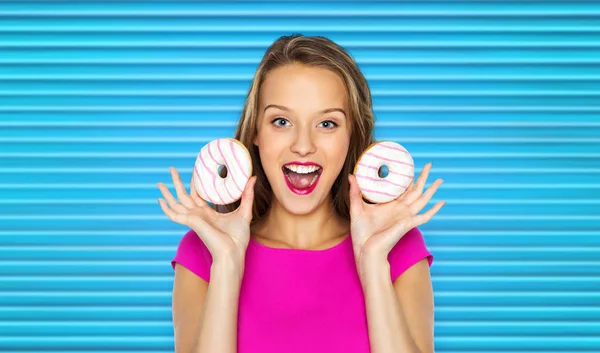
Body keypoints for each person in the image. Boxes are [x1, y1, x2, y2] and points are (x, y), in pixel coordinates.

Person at [157, 34, 445, 353]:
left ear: (352, 136)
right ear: (255, 132)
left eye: (327, 123)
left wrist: (374, 262)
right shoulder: (204, 252)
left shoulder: (397, 249)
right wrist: (226, 262)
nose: (303, 145)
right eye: (281, 121)